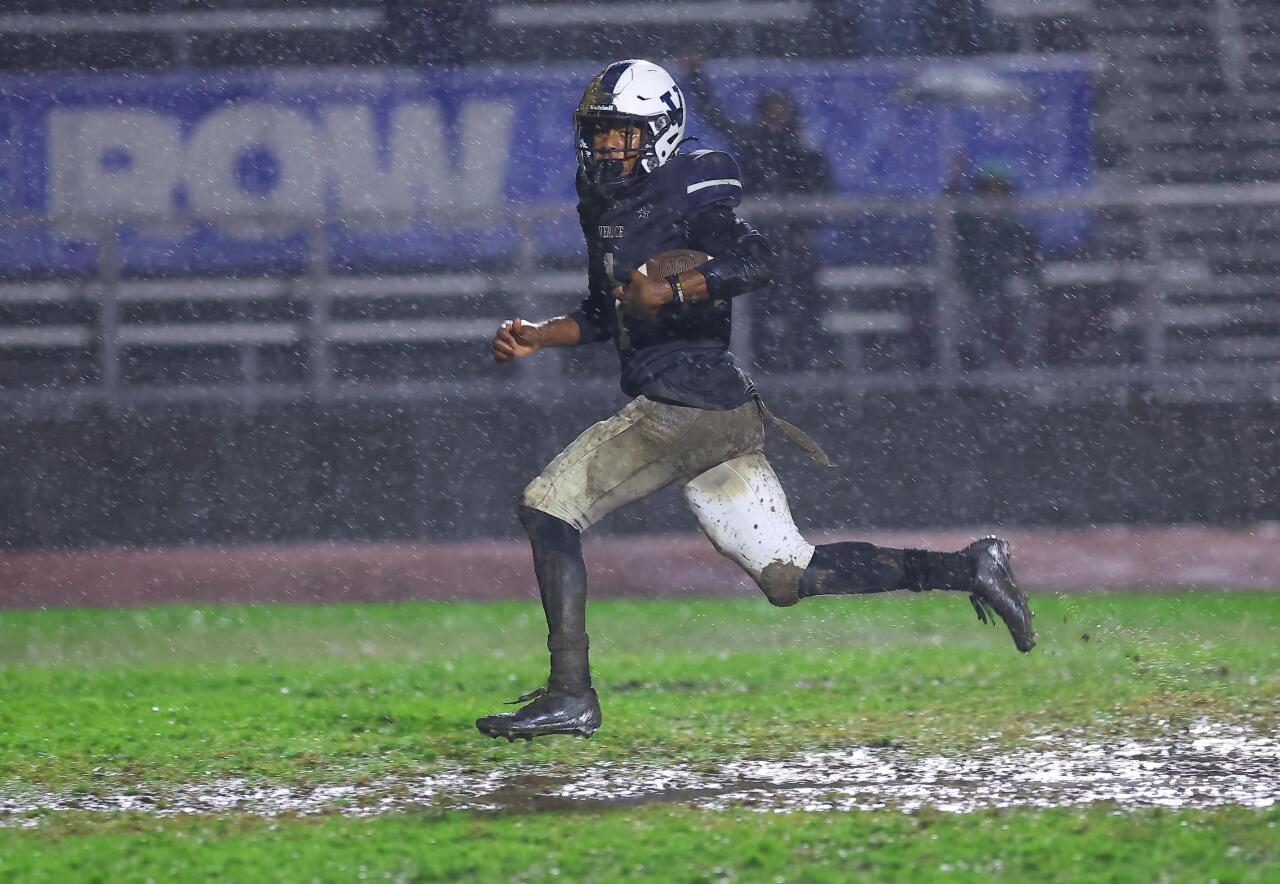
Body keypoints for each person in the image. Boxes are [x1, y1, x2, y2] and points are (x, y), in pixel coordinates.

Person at [475, 60, 1035, 743]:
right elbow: (606, 311)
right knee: (790, 573)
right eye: (597, 133)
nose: (603, 148)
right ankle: (968, 567)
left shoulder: (693, 180)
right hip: (720, 416)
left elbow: (755, 257)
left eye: (619, 134)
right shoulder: (603, 204)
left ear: (659, 131)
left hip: (682, 407)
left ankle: (571, 693)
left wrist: (678, 289)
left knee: (548, 506)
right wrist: (539, 335)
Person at [682, 59, 833, 370]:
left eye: (782, 111)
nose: (777, 117)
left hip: (794, 243)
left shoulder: (805, 153)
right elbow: (715, 116)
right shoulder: (754, 143)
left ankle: (807, 360)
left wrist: (805, 228)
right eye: (771, 111)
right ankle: (766, 363)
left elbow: (822, 192)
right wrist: (696, 77)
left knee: (806, 304)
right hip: (758, 243)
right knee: (760, 303)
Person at [949, 161, 1043, 368]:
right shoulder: (967, 226)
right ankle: (969, 374)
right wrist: (954, 183)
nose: (993, 198)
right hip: (971, 294)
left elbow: (1032, 270)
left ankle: (1016, 369)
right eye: (987, 190)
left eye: (1000, 191)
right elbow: (946, 216)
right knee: (961, 313)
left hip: (1006, 303)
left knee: (1019, 303)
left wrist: (1016, 284)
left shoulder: (1018, 230)